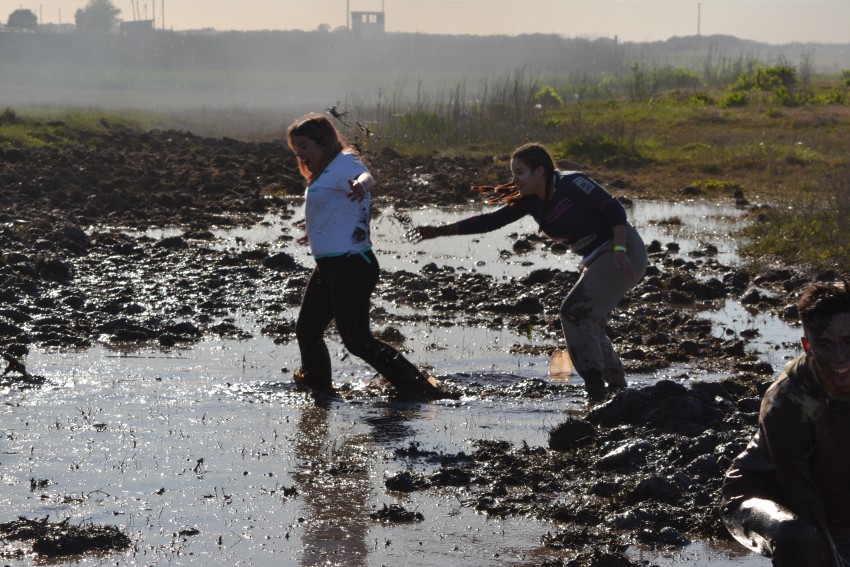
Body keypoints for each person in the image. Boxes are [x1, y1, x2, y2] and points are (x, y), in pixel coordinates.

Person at [410, 142, 647, 402]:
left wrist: (620, 249)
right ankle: (618, 389)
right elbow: (491, 221)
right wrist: (438, 231)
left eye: (519, 173)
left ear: (540, 171)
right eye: (513, 173)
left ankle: (596, 392)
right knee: (590, 321)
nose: (514, 180)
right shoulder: (531, 201)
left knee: (574, 314)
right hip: (598, 258)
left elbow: (613, 208)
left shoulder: (572, 184)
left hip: (621, 252)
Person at [286, 112, 445, 399]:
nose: (299, 153)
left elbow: (366, 176)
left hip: (351, 266)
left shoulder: (343, 160)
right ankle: (320, 392)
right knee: (308, 331)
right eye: (296, 147)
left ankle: (421, 389)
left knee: (357, 341)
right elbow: (333, 209)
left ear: (323, 142)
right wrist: (315, 230)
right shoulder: (323, 172)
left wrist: (361, 185)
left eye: (304, 145)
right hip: (329, 266)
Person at [720, 280, 850, 567]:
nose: (840, 359)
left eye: (848, 342)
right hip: (768, 496)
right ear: (807, 345)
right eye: (825, 345)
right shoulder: (787, 402)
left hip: (837, 500)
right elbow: (804, 500)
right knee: (800, 536)